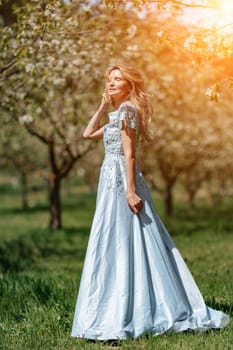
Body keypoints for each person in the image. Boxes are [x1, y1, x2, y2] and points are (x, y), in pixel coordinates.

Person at [71, 63, 229, 340]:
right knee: (112, 238)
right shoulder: (116, 113)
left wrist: (131, 192)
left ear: (129, 85)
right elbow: (87, 134)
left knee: (131, 238)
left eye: (118, 79)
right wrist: (101, 105)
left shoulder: (129, 111)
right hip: (109, 183)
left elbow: (129, 155)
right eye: (109, 79)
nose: (111, 83)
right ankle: (113, 306)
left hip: (122, 180)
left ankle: (140, 308)